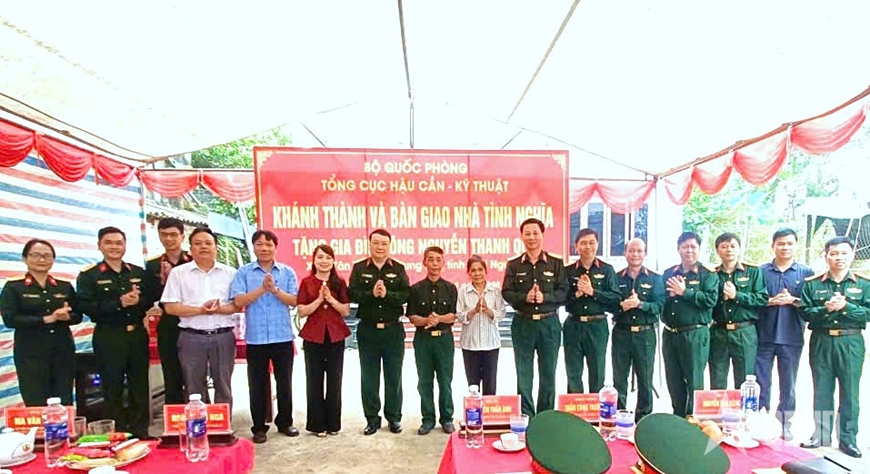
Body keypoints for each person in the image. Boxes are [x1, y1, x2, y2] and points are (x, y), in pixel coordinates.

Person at [76, 226, 153, 439]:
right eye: (108, 242)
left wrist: (138, 301)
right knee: (112, 386)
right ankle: (117, 433)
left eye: (119, 243)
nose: (114, 247)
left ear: (125, 245)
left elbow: (151, 299)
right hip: (109, 336)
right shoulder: (89, 275)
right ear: (99, 245)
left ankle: (140, 432)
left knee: (139, 385)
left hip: (136, 335)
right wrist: (119, 303)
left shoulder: (137, 272)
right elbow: (86, 306)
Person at [799, 236, 868, 459]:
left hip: (851, 342)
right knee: (822, 389)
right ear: (826, 256)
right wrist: (826, 309)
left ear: (852, 255)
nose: (839, 257)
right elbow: (805, 312)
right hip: (822, 341)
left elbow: (867, 313)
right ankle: (821, 435)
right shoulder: (813, 284)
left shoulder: (864, 284)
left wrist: (846, 307)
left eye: (844, 253)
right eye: (834, 253)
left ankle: (848, 439)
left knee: (850, 392)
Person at [230, 230, 300, 443]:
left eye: (268, 244)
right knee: (257, 384)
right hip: (256, 338)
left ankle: (285, 422)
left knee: (284, 382)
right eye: (259, 244)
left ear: (275, 247)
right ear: (253, 247)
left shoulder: (287, 272)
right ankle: (259, 427)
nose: (264, 248)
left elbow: (294, 301)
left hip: (282, 337)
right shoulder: (244, 273)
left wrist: (275, 290)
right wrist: (262, 289)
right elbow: (238, 301)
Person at [161, 227, 238, 410]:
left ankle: (222, 425)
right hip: (191, 337)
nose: (203, 247)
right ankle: (199, 424)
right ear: (191, 248)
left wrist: (219, 309)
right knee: (194, 388)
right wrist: (200, 310)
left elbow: (237, 306)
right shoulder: (178, 273)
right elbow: (170, 307)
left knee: (224, 386)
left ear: (216, 247)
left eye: (208, 243)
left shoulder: (230, 273)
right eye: (198, 243)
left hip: (223, 336)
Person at [0, 239, 81, 406]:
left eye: (47, 256)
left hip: (62, 351)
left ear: (53, 259)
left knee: (64, 400)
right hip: (31, 353)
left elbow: (78, 315)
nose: (42, 259)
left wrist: (67, 317)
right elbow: (10, 319)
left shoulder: (64, 286)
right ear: (25, 258)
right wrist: (46, 319)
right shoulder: (14, 287)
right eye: (35, 255)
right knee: (35, 402)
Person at [502, 218, 568, 417]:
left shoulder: (556, 263)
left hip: (549, 323)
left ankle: (545, 417)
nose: (531, 237)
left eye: (535, 233)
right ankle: (526, 417)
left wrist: (545, 297)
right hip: (523, 323)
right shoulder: (514, 265)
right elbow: (506, 292)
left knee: (548, 373)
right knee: (524, 373)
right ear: (522, 237)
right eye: (527, 233)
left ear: (542, 235)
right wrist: (525, 297)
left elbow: (564, 291)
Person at [348, 229, 411, 435]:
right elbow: (352, 293)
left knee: (394, 376)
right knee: (369, 377)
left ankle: (394, 418)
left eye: (384, 243)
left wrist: (387, 294)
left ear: (389, 245)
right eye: (376, 243)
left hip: (393, 331)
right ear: (369, 244)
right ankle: (372, 419)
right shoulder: (359, 268)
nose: (380, 247)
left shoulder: (398, 268)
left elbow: (405, 295)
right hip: (368, 330)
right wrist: (371, 293)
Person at [757, 228, 813, 441]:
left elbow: (812, 303)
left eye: (789, 243)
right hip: (763, 335)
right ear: (773, 246)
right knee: (761, 383)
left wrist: (794, 300)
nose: (785, 247)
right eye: (781, 243)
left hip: (791, 336)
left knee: (788, 384)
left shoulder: (806, 273)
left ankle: (783, 424)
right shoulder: (761, 271)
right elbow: (753, 299)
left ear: (796, 245)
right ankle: (760, 423)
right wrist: (769, 301)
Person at [661, 231, 718, 418]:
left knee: (694, 381)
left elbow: (710, 300)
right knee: (673, 380)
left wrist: (684, 292)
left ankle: (693, 420)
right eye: (685, 247)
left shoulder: (707, 274)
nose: (689, 251)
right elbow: (659, 300)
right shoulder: (669, 273)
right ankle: (678, 417)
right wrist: (669, 296)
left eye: (693, 247)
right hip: (670, 334)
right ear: (678, 249)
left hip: (695, 333)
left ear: (699, 249)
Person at [297, 244, 351, 437]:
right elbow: (302, 311)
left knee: (335, 380)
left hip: (335, 336)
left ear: (333, 261)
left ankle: (333, 424)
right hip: (314, 337)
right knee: (314, 380)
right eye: (320, 257)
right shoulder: (307, 282)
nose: (324, 261)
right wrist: (320, 300)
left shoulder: (339, 282)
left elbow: (345, 311)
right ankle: (317, 425)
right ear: (314, 260)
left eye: (328, 257)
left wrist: (331, 299)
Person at [407, 246, 458, 435]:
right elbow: (412, 316)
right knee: (424, 381)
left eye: (438, 259)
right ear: (424, 262)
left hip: (444, 340)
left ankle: (447, 418)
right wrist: (427, 321)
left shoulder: (450, 288)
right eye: (431, 259)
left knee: (445, 381)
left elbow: (453, 316)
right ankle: (427, 419)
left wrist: (439, 319)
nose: (435, 263)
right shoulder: (416, 289)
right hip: (423, 341)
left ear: (443, 263)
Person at [563, 228, 621, 394]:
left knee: (597, 371)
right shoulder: (568, 271)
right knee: (573, 372)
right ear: (576, 246)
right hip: (573, 324)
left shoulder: (607, 270)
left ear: (597, 244)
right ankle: (575, 408)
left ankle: (595, 409)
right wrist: (577, 294)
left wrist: (592, 292)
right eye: (583, 243)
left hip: (597, 325)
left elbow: (616, 298)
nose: (587, 247)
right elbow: (560, 298)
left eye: (591, 243)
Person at [612, 238, 664, 422]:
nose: (635, 254)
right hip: (622, 333)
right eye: (631, 250)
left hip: (645, 334)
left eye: (639, 251)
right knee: (619, 379)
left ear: (645, 253)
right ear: (624, 253)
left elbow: (659, 306)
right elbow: (608, 304)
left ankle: (643, 419)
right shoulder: (616, 277)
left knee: (645, 379)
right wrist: (621, 306)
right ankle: (619, 418)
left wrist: (640, 304)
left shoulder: (655, 278)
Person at [708, 232, 768, 389]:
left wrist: (737, 296)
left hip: (744, 331)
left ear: (739, 249)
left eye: (733, 246)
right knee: (717, 378)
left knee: (744, 380)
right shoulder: (711, 274)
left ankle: (743, 406)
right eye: (724, 246)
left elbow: (762, 299)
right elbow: (707, 302)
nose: (729, 250)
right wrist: (722, 297)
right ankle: (719, 406)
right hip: (719, 332)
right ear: (717, 250)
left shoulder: (753, 271)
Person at [143, 217, 192, 405]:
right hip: (169, 323)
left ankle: (200, 413)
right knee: (171, 374)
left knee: (194, 375)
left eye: (173, 235)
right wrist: (164, 283)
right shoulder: (153, 265)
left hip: (193, 321)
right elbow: (149, 297)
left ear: (182, 236)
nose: (169, 239)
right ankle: (174, 414)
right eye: (164, 235)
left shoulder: (193, 260)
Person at [456, 255, 506, 396]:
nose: (477, 273)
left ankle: (489, 410)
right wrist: (474, 311)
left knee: (490, 387)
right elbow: (459, 316)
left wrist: (488, 311)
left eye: (480, 270)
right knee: (473, 387)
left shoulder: (495, 291)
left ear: (485, 271)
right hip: (470, 346)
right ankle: (475, 411)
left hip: (491, 345)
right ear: (468, 273)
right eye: (473, 270)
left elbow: (501, 313)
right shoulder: (463, 292)